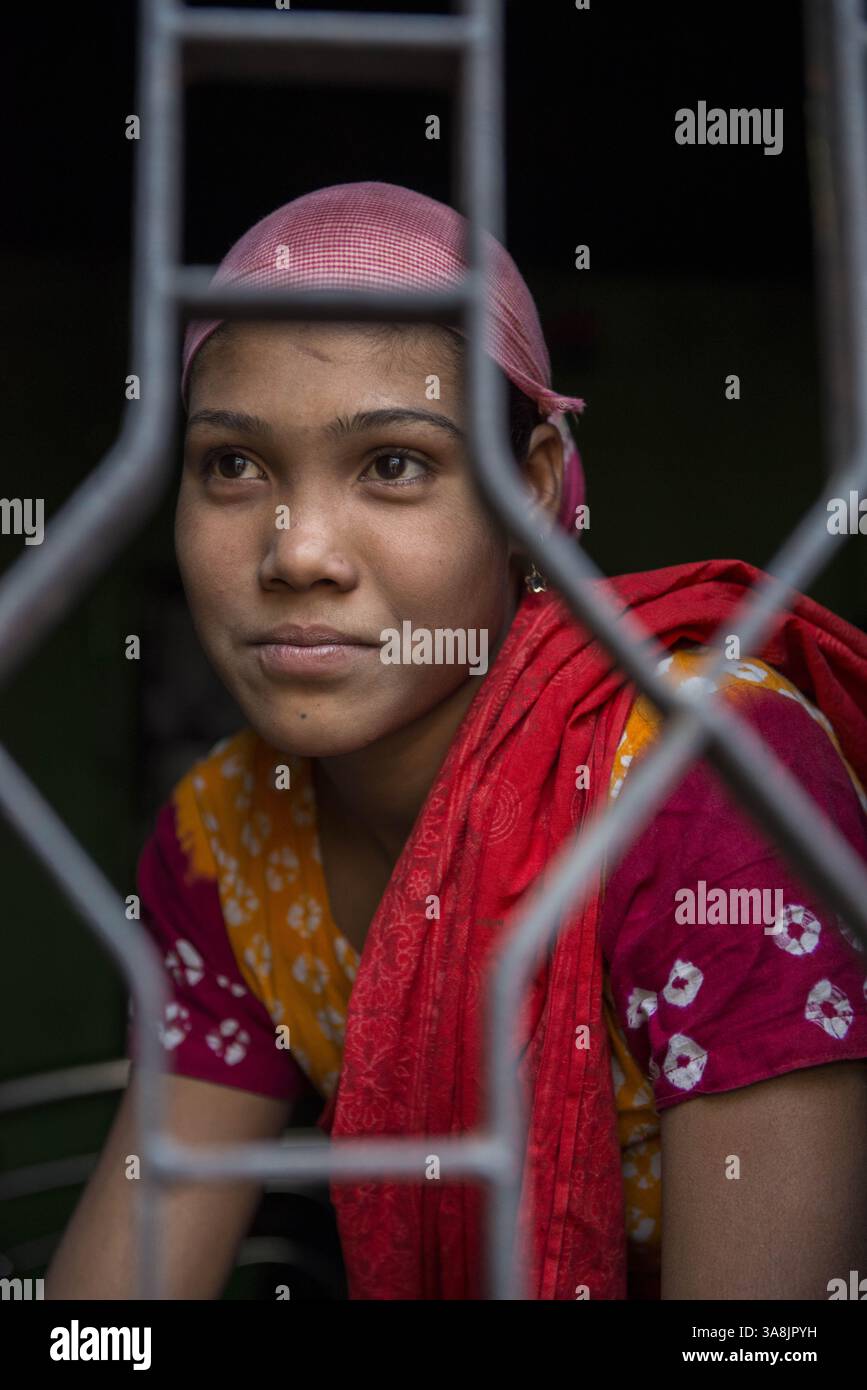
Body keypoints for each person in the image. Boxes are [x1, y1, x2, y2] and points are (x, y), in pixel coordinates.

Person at [46, 181, 867, 1301]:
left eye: (392, 463)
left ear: (530, 492)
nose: (297, 553)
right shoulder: (227, 841)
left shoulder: (699, 780)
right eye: (233, 465)